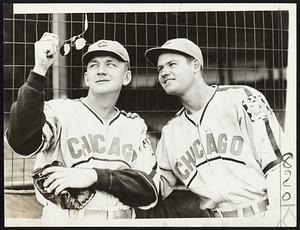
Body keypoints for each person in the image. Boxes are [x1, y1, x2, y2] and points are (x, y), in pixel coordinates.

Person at [5, 32, 159, 224]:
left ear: (126, 77)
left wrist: (93, 176)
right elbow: (22, 142)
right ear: (87, 78)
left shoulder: (134, 126)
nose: (101, 70)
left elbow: (149, 189)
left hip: (119, 221)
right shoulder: (60, 112)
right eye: (94, 65)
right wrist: (39, 70)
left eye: (110, 64)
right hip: (65, 220)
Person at [143, 38, 287, 224]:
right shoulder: (171, 132)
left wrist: (281, 217)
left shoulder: (242, 99)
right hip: (214, 221)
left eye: (172, 64)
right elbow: (156, 186)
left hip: (261, 215)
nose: (164, 72)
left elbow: (279, 165)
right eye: (160, 68)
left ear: (195, 65)